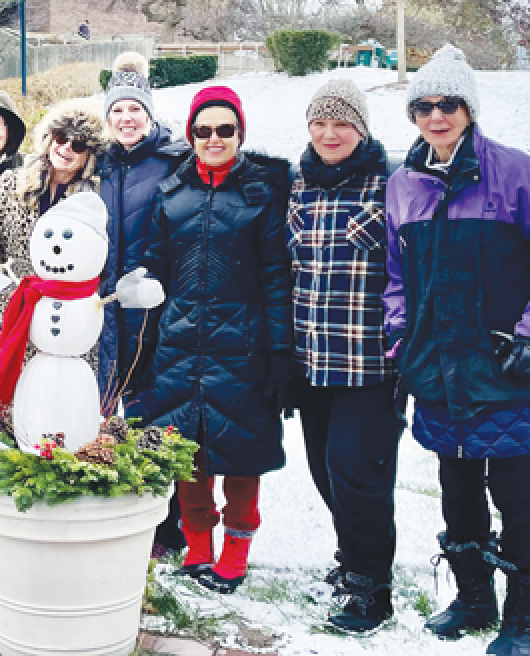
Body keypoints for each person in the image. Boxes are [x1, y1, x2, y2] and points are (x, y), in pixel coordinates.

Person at [384, 46, 530, 656]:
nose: (436, 115)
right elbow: (396, 276)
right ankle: (475, 600)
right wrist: (401, 339)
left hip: (507, 368)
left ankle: (526, 622)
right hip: (440, 371)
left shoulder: (522, 175)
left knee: (515, 487)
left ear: (469, 108)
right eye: (424, 105)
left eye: (448, 104)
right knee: (456, 485)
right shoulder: (404, 186)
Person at [135, 85, 292, 594]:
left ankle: (237, 551)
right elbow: (154, 269)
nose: (214, 138)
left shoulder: (262, 193)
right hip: (180, 341)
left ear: (240, 134)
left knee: (241, 455)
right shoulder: (172, 194)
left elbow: (276, 276)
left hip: (241, 343)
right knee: (188, 453)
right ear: (191, 136)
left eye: (225, 129)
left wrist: (280, 350)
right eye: (203, 131)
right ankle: (197, 545)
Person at [287, 79, 404, 633]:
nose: (330, 133)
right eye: (320, 123)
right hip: (312, 362)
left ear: (361, 128)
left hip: (371, 363)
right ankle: (352, 559)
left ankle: (371, 588)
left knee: (359, 473)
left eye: (343, 124)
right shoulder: (297, 183)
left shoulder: (393, 183)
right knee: (324, 471)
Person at [95, 53, 190, 558]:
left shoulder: (172, 161)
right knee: (108, 406)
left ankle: (164, 521)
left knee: (154, 410)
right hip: (104, 308)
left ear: (149, 114)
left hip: (154, 305)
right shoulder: (100, 163)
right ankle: (115, 506)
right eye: (117, 111)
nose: (126, 118)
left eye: (134, 109)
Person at [0, 98, 107, 359]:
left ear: (89, 155)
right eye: (61, 137)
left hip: (66, 316)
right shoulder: (11, 184)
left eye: (78, 144)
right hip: (13, 306)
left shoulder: (92, 201)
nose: (66, 148)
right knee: (6, 392)